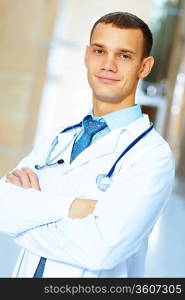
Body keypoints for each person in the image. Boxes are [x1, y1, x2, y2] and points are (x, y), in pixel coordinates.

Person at [0, 11, 175, 278]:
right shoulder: (59, 137)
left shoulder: (152, 156)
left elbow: (100, 250)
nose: (108, 65)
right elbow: (4, 207)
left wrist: (28, 212)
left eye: (124, 55)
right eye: (99, 51)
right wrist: (72, 206)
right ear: (86, 55)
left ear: (144, 66)